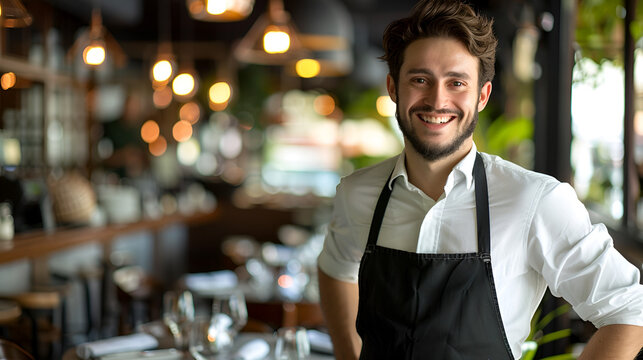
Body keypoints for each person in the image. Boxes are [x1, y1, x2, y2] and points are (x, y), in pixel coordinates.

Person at [316, 0, 643, 359]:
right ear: (394, 88)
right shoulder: (358, 192)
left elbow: (628, 311)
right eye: (420, 79)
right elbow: (335, 269)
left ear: (482, 95)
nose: (437, 100)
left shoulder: (534, 200)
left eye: (456, 82)